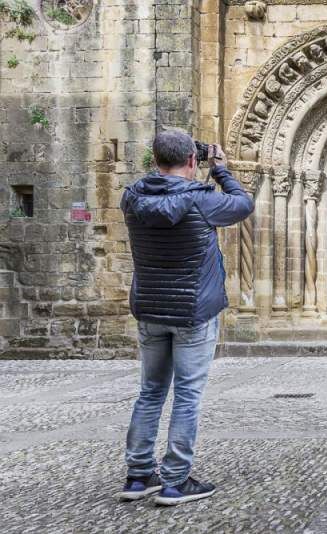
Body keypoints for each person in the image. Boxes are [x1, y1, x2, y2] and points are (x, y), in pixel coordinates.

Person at [116, 130, 254, 506]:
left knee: (150, 392)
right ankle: (176, 480)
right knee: (187, 395)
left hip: (151, 310)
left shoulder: (131, 198)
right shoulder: (202, 200)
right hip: (193, 311)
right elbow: (243, 204)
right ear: (193, 161)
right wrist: (222, 170)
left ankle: (139, 475)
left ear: (155, 159)